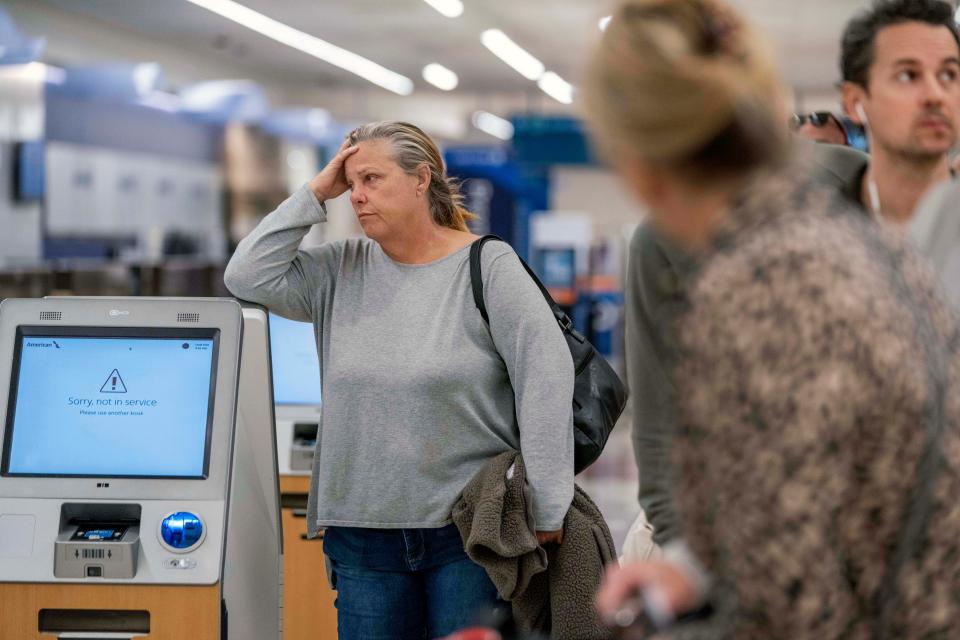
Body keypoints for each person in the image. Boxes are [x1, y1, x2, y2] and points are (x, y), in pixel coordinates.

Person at [583, 1, 960, 638]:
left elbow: (798, 596)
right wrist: (690, 568)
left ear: (635, 158)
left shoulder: (758, 282)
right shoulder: (844, 241)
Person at [223, 121, 574, 640]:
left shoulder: (487, 265)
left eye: (371, 179)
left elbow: (545, 376)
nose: (357, 197)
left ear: (420, 179)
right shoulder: (339, 270)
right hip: (363, 534)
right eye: (351, 184)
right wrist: (317, 190)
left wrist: (547, 503)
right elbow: (245, 276)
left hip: (468, 534)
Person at [840, 0, 960, 225]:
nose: (935, 95)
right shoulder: (817, 235)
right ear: (855, 103)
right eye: (908, 76)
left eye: (948, 75)